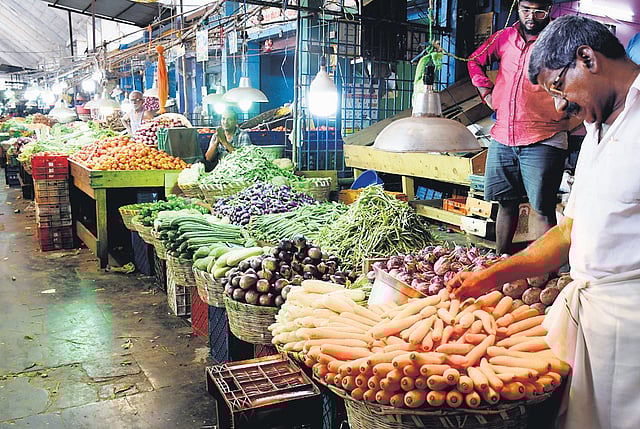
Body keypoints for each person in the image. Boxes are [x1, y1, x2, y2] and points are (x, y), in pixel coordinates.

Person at [449, 15, 640, 429]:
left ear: (587, 58)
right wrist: (491, 275)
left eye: (558, 87)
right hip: (594, 320)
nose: (558, 106)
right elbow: (570, 230)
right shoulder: (597, 128)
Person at [467, 0, 570, 255]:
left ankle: (548, 269)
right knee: (505, 203)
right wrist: (486, 93)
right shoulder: (504, 38)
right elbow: (474, 60)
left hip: (544, 135)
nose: (531, 17)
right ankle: (501, 260)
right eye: (526, 9)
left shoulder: (560, 40)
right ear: (517, 7)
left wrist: (568, 106)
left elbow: (581, 74)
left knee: (543, 208)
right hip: (503, 135)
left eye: (539, 11)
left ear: (549, 10)